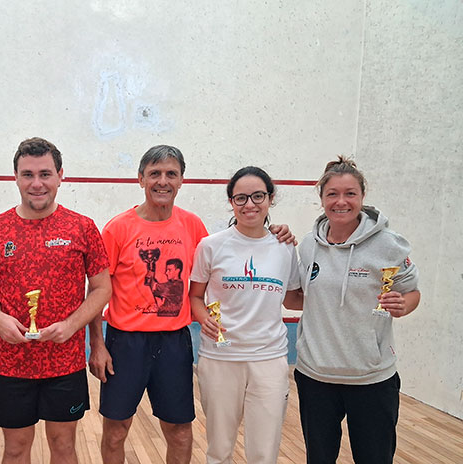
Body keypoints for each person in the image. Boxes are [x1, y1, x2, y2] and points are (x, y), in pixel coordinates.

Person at [88, 146, 295, 464]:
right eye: (155, 173)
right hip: (125, 342)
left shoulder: (194, 227)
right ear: (140, 178)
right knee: (116, 431)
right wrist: (97, 345)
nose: (162, 181)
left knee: (181, 432)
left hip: (174, 342)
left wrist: (274, 234)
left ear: (182, 180)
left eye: (171, 173)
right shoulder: (117, 228)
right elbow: (98, 290)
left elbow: (227, 260)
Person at [0, 137, 111, 464]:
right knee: (16, 449)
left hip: (66, 363)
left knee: (63, 447)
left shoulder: (82, 227)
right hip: (13, 364)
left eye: (45, 174)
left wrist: (71, 325)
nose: (37, 183)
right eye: (28, 174)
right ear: (16, 177)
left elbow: (102, 288)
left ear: (61, 175)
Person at [290, 156, 420, 464]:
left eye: (350, 193)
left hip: (372, 378)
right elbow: (298, 299)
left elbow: (411, 292)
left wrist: (404, 305)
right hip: (315, 376)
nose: (341, 201)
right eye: (332, 194)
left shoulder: (389, 245)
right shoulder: (309, 245)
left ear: (362, 197)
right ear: (321, 198)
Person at [188, 166, 301, 464]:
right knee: (219, 448)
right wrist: (203, 319)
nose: (249, 204)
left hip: (269, 358)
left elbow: (292, 297)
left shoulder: (285, 246)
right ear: (231, 202)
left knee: (264, 452)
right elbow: (195, 297)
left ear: (270, 199)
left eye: (257, 196)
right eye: (241, 198)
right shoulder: (210, 246)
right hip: (220, 359)